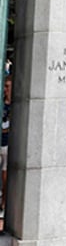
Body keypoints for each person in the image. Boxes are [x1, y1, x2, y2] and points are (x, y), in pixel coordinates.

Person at [1, 76, 10, 219]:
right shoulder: (2, 105)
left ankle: (3, 204)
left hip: (8, 145)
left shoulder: (17, 106)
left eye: (8, 86)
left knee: (5, 175)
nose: (6, 89)